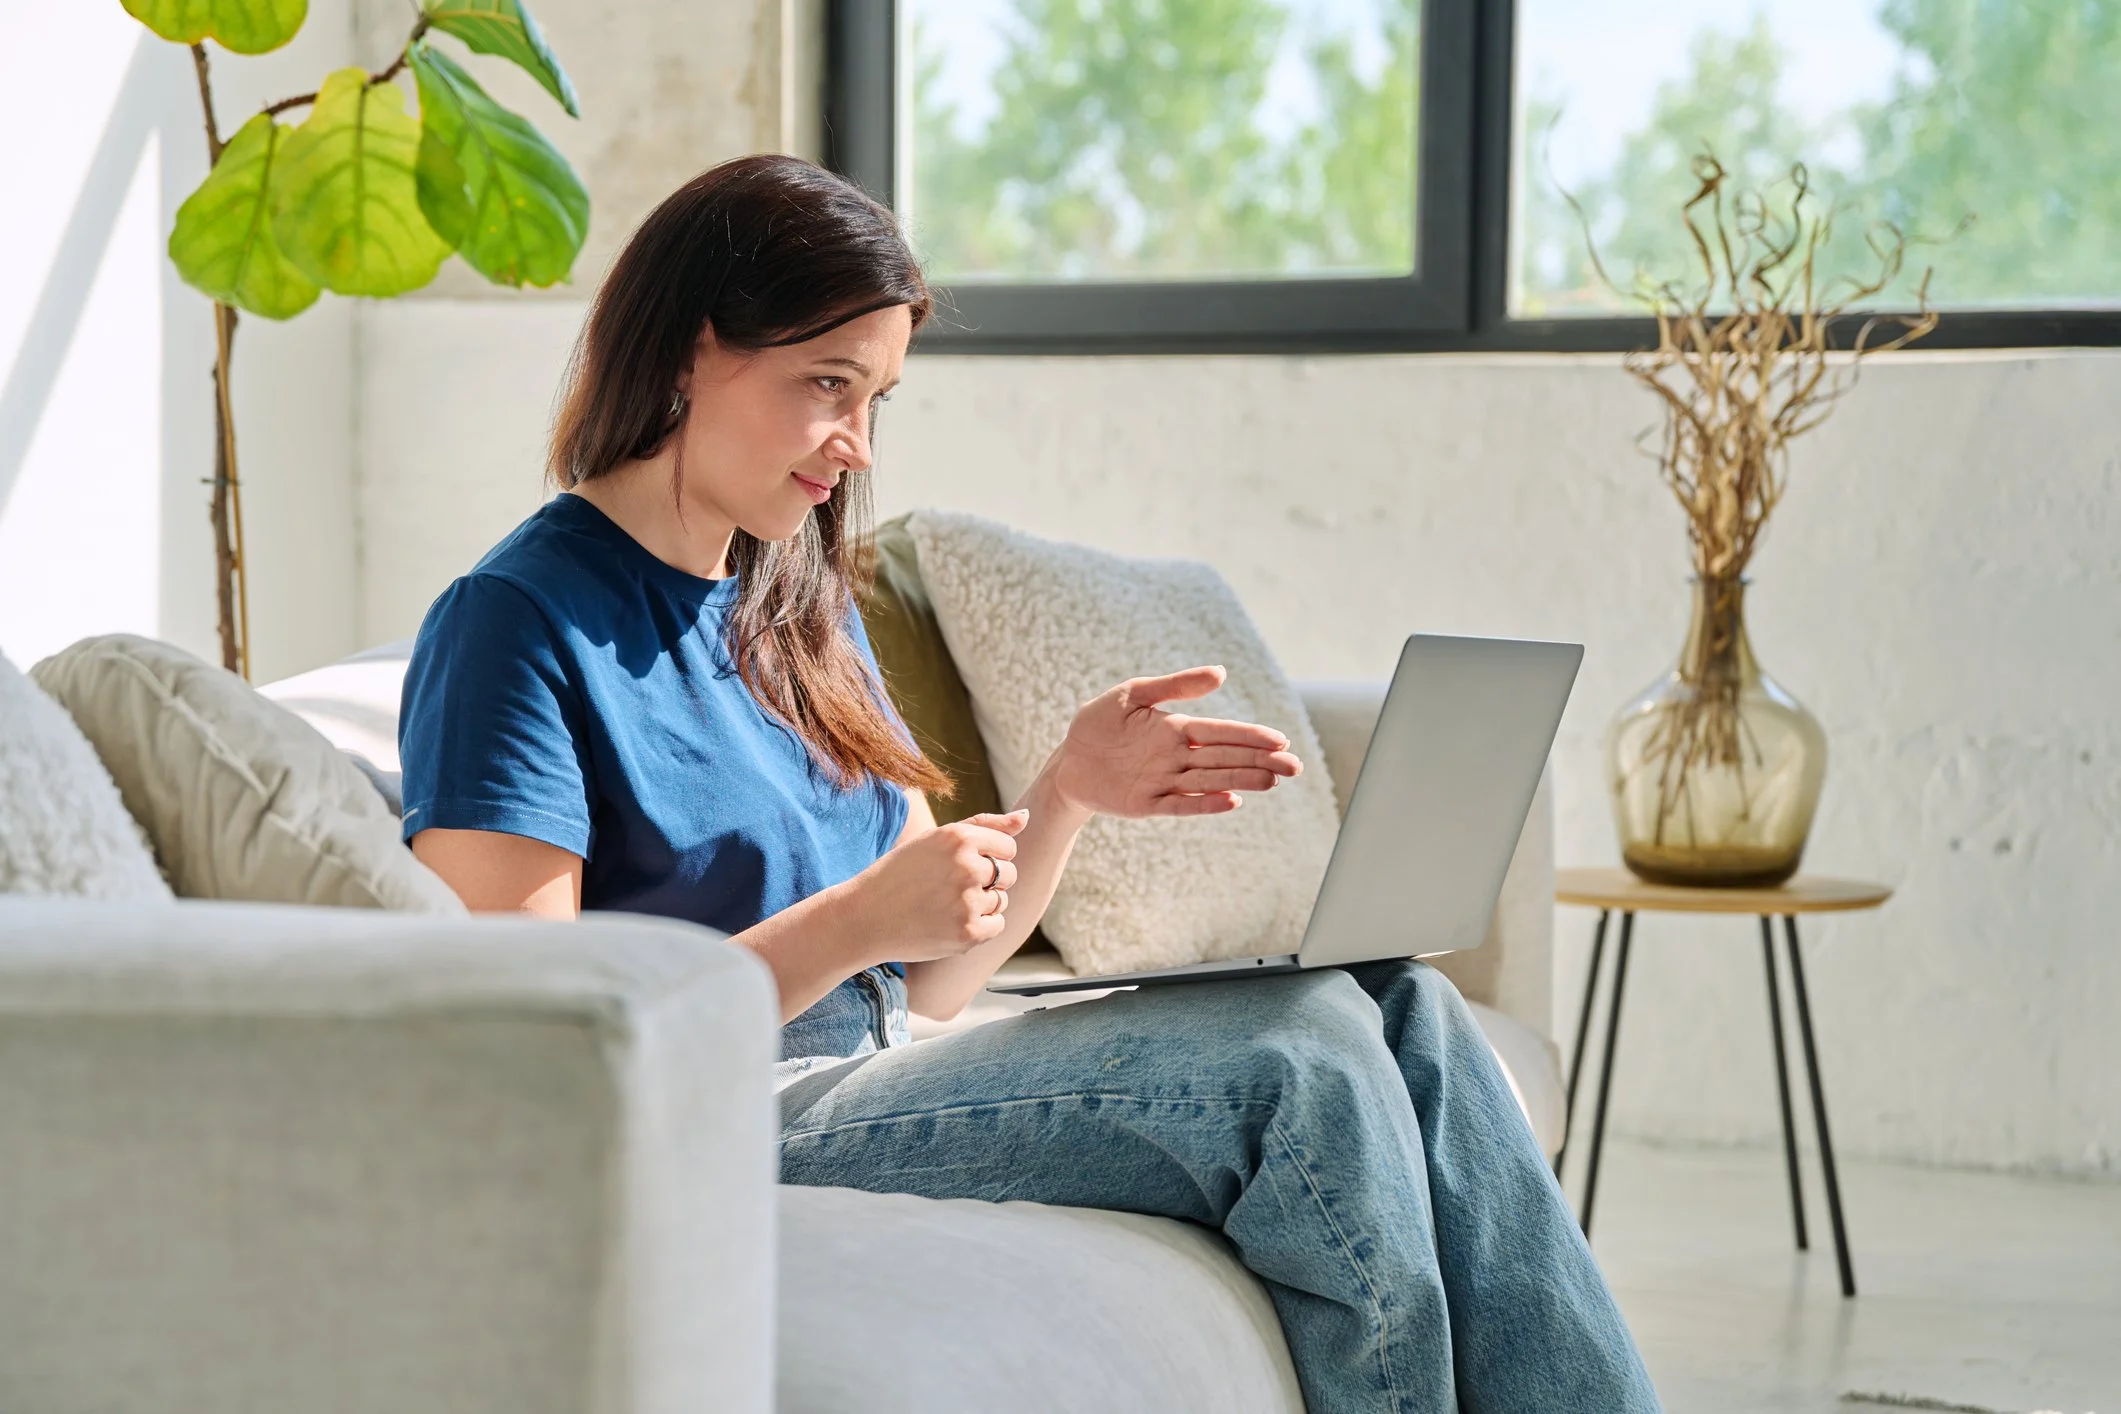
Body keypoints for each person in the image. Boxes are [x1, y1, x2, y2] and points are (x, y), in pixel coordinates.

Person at [398, 152, 1661, 1413]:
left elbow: (938, 980)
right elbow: (543, 1049)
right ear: (688, 348)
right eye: (827, 386)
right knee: (1299, 1068)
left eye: (879, 397)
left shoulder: (795, 610)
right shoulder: (517, 623)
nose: (856, 445)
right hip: (716, 1113)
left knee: (1397, 1004)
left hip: (864, 1072)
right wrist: (853, 924)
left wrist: (1064, 795)